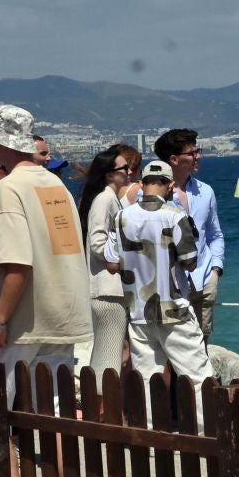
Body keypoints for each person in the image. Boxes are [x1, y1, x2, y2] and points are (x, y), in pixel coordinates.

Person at [0, 105, 94, 409]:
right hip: (64, 317)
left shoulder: (8, 188)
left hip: (21, 323)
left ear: (1, 143)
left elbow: (17, 263)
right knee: (54, 415)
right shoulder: (58, 186)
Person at [112, 161, 214, 386]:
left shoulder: (121, 217)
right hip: (173, 308)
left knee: (149, 382)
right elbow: (190, 263)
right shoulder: (175, 216)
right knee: (198, 379)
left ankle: (151, 422)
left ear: (141, 183)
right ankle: (203, 422)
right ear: (170, 185)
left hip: (138, 310)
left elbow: (112, 262)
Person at [154, 128, 226, 341]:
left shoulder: (206, 191)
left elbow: (214, 234)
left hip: (204, 279)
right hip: (170, 283)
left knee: (202, 342)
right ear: (174, 159)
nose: (198, 157)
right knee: (172, 343)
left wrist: (216, 269)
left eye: (197, 151)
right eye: (193, 153)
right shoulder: (151, 196)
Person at [79, 145, 135, 378]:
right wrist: (118, 261)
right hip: (107, 289)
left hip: (109, 289)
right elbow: (97, 241)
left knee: (106, 352)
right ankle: (104, 410)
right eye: (125, 168)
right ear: (110, 174)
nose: (130, 172)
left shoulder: (110, 198)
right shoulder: (105, 199)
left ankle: (101, 406)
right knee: (109, 356)